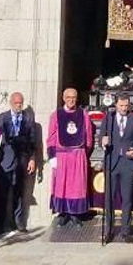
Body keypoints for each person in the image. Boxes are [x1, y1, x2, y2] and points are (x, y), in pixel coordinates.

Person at [0, 92, 38, 234]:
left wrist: (33, 158)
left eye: (21, 103)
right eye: (16, 103)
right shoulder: (3, 118)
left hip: (22, 159)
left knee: (20, 192)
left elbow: (33, 140)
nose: (19, 105)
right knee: (3, 192)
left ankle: (18, 222)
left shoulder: (28, 118)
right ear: (11, 103)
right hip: (6, 159)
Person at [100, 96, 133, 242]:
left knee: (127, 199)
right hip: (112, 162)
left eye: (126, 105)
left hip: (127, 163)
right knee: (109, 199)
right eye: (121, 105)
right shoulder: (109, 118)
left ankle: (126, 231)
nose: (124, 108)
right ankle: (109, 230)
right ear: (116, 104)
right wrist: (103, 142)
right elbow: (101, 136)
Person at [47, 88, 94, 228]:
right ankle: (63, 213)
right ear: (63, 98)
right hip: (62, 156)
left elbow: (89, 136)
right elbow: (51, 136)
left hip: (78, 154)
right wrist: (51, 155)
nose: (71, 100)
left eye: (74, 97)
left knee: (77, 185)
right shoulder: (56, 115)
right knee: (62, 185)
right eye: (68, 97)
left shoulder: (83, 114)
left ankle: (75, 214)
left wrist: (84, 153)